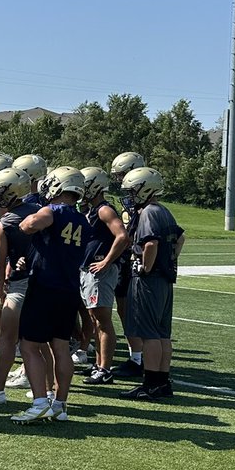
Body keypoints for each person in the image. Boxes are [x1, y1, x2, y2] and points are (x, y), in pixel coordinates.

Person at [11, 166, 87, 424]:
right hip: (69, 288)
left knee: (29, 345)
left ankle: (40, 402)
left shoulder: (53, 210)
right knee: (61, 347)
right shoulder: (83, 220)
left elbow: (29, 224)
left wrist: (27, 222)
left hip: (45, 286)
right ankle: (60, 404)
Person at [119, 168, 185, 401]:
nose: (130, 195)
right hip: (164, 278)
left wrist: (145, 267)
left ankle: (151, 384)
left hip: (149, 280)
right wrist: (170, 259)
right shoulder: (164, 210)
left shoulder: (148, 212)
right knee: (162, 333)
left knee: (149, 334)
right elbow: (180, 238)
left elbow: (150, 244)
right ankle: (162, 381)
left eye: (133, 190)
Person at [0, 167, 38, 404]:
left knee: (7, 339)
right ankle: (48, 391)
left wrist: (0, 289)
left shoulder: (6, 222)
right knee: (42, 342)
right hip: (45, 283)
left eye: (1, 190)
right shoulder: (42, 212)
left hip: (20, 285)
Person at [78, 166, 130, 385]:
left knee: (103, 321)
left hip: (100, 273)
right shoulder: (91, 210)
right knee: (94, 319)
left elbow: (122, 236)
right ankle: (99, 364)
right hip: (89, 271)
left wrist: (106, 261)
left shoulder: (104, 210)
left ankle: (105, 369)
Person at [109, 150, 147, 379]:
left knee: (131, 311)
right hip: (127, 260)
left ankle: (139, 358)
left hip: (133, 261)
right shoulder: (131, 201)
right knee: (125, 310)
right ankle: (137, 356)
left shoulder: (143, 203)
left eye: (122, 174)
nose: (119, 179)